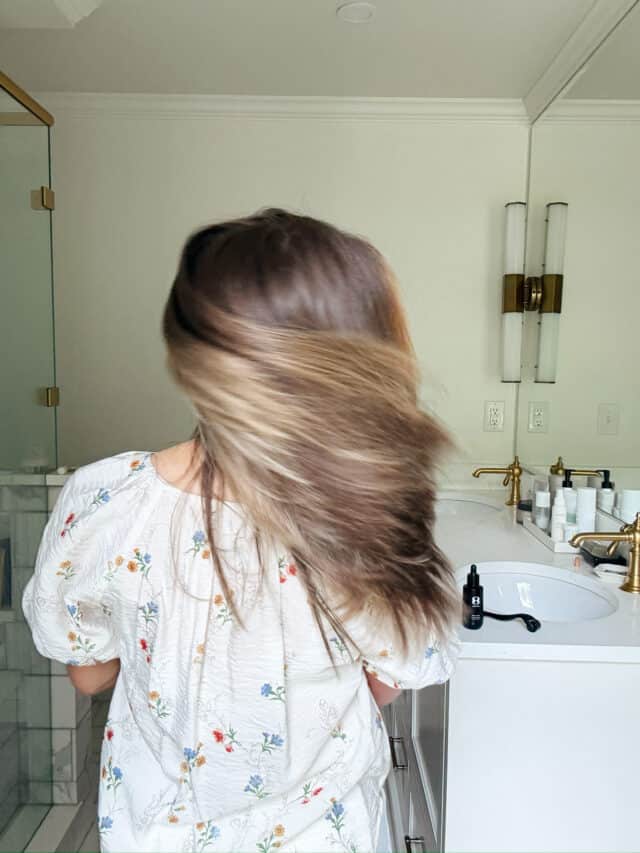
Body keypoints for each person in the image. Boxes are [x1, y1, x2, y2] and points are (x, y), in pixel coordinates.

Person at [24, 209, 459, 853]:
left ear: (190, 359)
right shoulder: (368, 518)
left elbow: (88, 674)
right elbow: (386, 680)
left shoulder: (109, 501)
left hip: (158, 836)